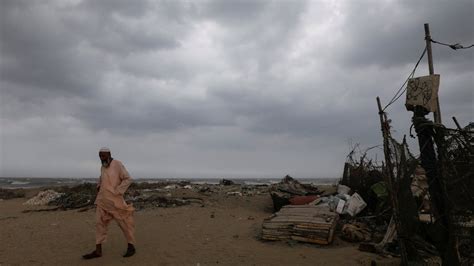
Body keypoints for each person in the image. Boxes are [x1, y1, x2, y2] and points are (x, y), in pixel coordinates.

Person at [83, 147, 136, 259]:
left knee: (124, 224)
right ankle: (98, 251)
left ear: (109, 154)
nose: (101, 158)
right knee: (99, 224)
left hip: (115, 202)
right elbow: (102, 178)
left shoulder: (117, 164)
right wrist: (98, 186)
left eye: (103, 156)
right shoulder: (103, 166)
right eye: (100, 156)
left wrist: (117, 191)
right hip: (102, 201)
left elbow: (128, 179)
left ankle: (131, 246)